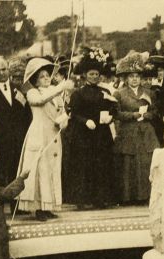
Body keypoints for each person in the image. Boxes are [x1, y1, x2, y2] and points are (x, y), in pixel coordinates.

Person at [17, 58, 73, 221]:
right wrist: (62, 86)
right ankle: (39, 208)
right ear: (35, 80)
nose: (46, 78)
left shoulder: (56, 93)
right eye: (41, 76)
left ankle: (49, 206)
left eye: (48, 75)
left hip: (54, 135)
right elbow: (41, 100)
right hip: (39, 134)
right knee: (39, 170)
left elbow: (61, 112)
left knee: (52, 169)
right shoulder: (33, 93)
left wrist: (63, 121)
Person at [68, 47, 118, 209]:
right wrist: (85, 121)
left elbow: (113, 107)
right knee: (84, 165)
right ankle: (82, 200)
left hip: (101, 134)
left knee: (101, 165)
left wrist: (111, 115)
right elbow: (73, 113)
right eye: (91, 74)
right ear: (84, 75)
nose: (94, 77)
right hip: (84, 134)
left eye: (96, 74)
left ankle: (100, 198)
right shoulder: (78, 93)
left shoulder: (105, 91)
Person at [0, 57, 33, 214]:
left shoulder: (17, 88)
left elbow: (26, 113)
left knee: (15, 169)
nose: (1, 73)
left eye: (4, 69)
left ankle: (15, 205)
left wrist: (25, 133)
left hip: (18, 138)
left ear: (8, 69)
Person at [112, 53, 160, 205]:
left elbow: (156, 111)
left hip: (145, 132)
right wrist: (132, 115)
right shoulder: (119, 93)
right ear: (126, 78)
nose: (134, 79)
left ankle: (145, 196)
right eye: (131, 76)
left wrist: (148, 115)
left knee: (145, 163)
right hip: (128, 132)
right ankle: (128, 197)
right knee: (129, 164)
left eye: (137, 76)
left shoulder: (149, 92)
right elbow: (116, 113)